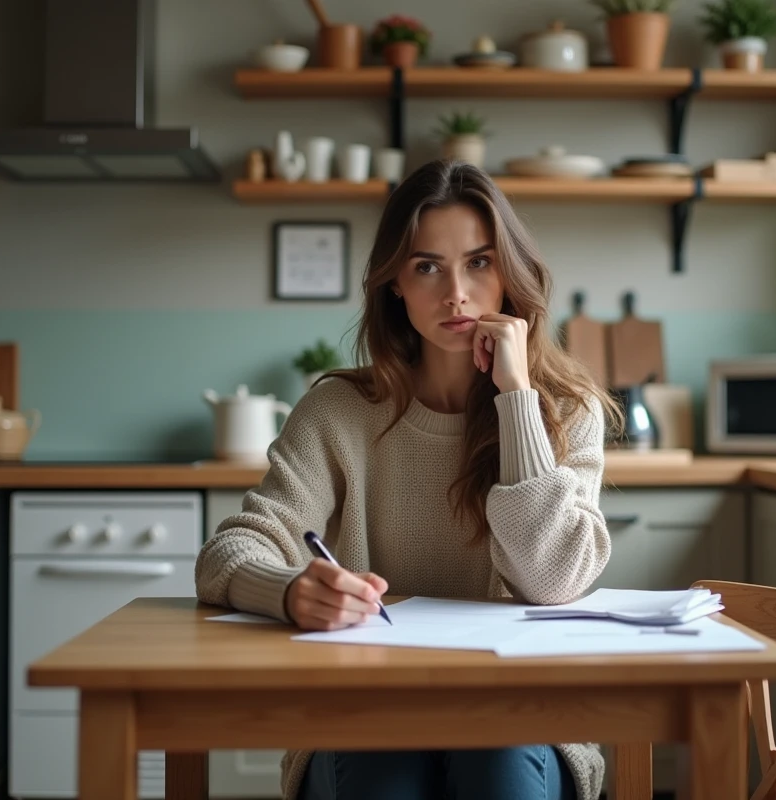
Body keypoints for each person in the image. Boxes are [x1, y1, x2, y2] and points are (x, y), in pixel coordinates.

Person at [195, 158, 622, 800]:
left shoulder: (566, 409)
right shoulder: (339, 412)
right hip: (368, 703)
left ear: (510, 271)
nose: (456, 292)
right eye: (428, 266)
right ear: (395, 281)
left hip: (519, 711)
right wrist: (290, 592)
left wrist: (516, 400)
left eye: (479, 262)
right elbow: (226, 555)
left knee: (496, 767)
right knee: (380, 767)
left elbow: (554, 580)